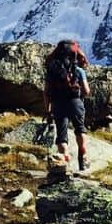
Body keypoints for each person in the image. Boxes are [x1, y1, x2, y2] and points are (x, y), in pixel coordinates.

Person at [43, 39, 92, 171]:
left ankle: (64, 160)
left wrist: (48, 111)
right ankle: (83, 155)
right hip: (75, 102)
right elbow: (87, 91)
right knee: (80, 128)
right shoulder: (78, 70)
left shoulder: (52, 72)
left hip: (58, 104)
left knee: (61, 134)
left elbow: (47, 93)